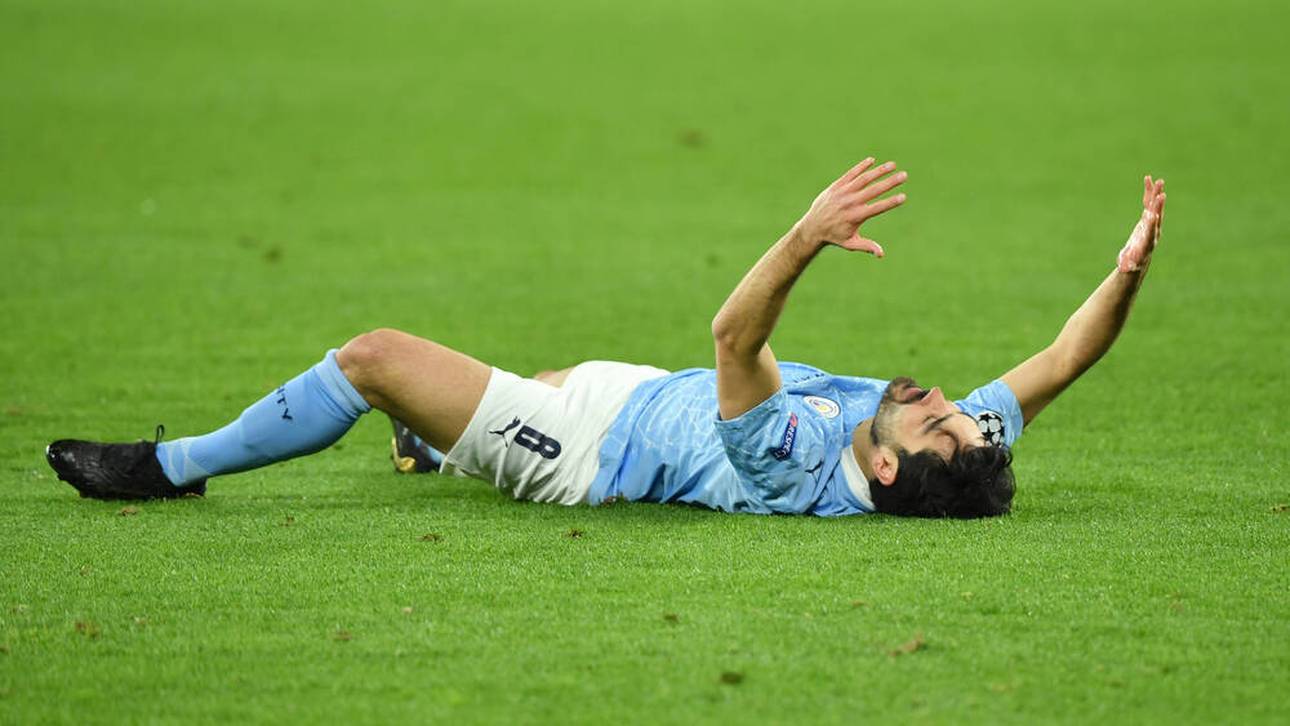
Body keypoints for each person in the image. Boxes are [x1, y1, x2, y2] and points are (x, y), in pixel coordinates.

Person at [45, 159, 1167, 518]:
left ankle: (169, 469)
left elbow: (735, 338)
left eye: (933, 422)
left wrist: (807, 234)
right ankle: (432, 446)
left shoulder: (792, 467)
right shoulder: (937, 450)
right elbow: (1066, 358)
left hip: (586, 451)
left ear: (883, 468)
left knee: (376, 357)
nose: (945, 401)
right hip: (631, 393)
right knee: (518, 378)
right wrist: (1125, 272)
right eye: (960, 413)